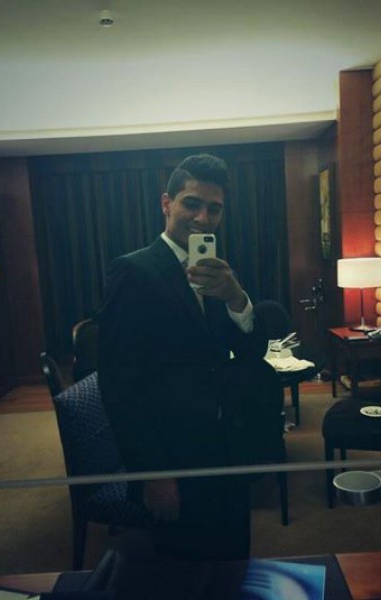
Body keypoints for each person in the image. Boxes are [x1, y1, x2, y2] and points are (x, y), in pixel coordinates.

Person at [97, 153, 283, 560]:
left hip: (227, 447)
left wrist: (236, 298)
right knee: (184, 569)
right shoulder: (133, 272)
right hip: (174, 453)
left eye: (214, 208)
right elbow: (119, 385)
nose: (203, 218)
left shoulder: (216, 270)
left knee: (234, 560)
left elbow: (251, 353)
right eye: (192, 204)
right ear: (167, 204)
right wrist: (154, 475)